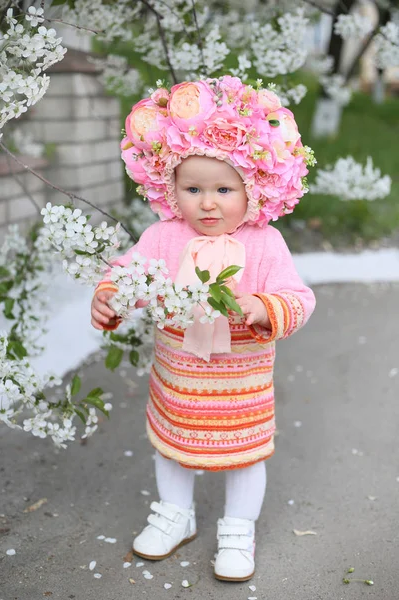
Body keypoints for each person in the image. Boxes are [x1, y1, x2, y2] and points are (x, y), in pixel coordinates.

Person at [91, 76, 316, 582]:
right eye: (193, 189)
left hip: (241, 384)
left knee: (244, 457)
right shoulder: (163, 237)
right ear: (171, 188)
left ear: (254, 187)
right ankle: (177, 514)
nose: (208, 203)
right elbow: (130, 273)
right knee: (171, 448)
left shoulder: (264, 244)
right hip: (180, 378)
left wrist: (264, 306)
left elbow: (299, 298)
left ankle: (238, 528)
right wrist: (111, 297)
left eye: (223, 189)